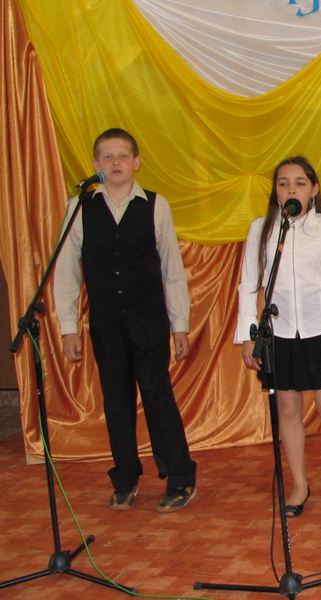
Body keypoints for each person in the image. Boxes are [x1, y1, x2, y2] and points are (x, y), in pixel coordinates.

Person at [54, 128, 197, 512]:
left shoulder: (155, 205)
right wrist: (68, 327)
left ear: (136, 162)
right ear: (95, 164)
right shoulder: (79, 207)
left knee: (157, 396)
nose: (115, 162)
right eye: (107, 156)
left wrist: (179, 324)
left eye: (122, 156)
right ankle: (126, 478)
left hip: (149, 321)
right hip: (106, 323)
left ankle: (180, 477)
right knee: (116, 401)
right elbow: (66, 272)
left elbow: (172, 271)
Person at [236, 156, 321, 516]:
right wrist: (248, 334)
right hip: (278, 332)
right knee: (288, 408)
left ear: (314, 190)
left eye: (299, 183)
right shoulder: (262, 229)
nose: (291, 189)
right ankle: (298, 485)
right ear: (275, 191)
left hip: (320, 329)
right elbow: (248, 285)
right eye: (283, 184)